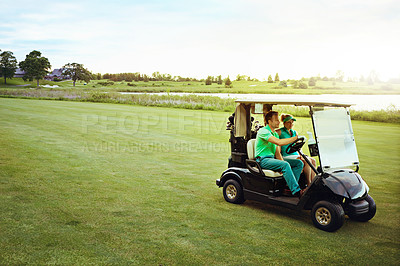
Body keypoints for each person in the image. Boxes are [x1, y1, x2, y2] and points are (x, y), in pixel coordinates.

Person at [255, 111, 305, 197]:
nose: (279, 122)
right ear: (269, 121)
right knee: (285, 164)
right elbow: (279, 142)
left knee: (299, 163)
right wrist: (295, 138)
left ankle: (289, 188)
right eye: (276, 120)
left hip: (272, 159)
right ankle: (297, 191)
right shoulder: (263, 131)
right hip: (262, 160)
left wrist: (281, 164)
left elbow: (278, 153)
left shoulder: (275, 133)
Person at [276, 114, 317, 186]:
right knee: (307, 161)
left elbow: (298, 147)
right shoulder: (279, 132)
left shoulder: (294, 133)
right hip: (286, 155)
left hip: (295, 154)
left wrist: (301, 155)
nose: (291, 124)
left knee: (313, 161)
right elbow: (275, 143)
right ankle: (309, 183)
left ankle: (313, 184)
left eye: (292, 122)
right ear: (284, 123)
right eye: (289, 122)